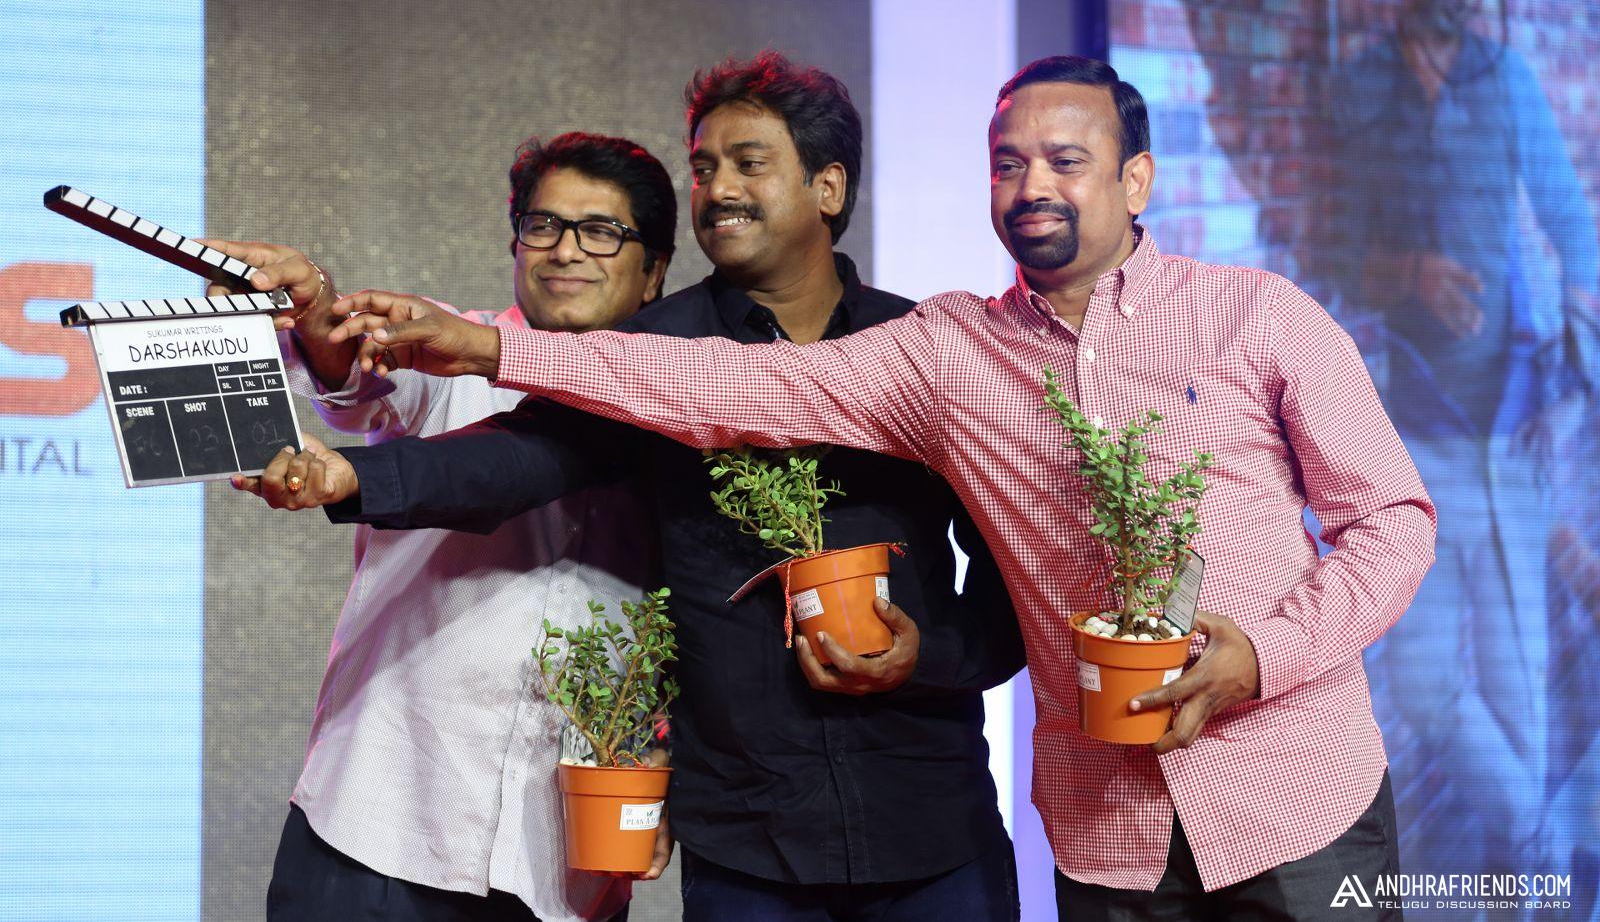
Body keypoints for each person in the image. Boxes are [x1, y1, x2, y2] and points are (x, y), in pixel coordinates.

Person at [309, 55, 1437, 921]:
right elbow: (721, 384)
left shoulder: (1258, 314)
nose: (1031, 186)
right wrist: (481, 353)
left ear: (1136, 178)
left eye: (1065, 160)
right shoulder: (949, 351)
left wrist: (1262, 654)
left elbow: (1391, 521)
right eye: (1007, 164)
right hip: (1098, 835)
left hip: (1295, 795)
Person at [240, 53, 1026, 921]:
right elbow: (522, 454)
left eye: (748, 163)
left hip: (931, 825)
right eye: (704, 167)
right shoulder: (652, 352)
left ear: (828, 186)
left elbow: (1010, 583)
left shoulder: (924, 349)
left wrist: (930, 654)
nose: (718, 189)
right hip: (746, 853)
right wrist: (351, 474)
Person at [213, 131, 677, 921]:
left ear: (655, 270)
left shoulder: (682, 412)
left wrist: (670, 771)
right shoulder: (447, 354)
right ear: (515, 243)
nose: (565, 249)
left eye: (601, 231)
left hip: (561, 864)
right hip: (379, 826)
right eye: (543, 225)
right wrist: (319, 315)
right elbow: (359, 375)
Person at [1301, 0, 1600, 898]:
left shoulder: (1506, 82)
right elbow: (1326, 249)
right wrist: (1408, 273)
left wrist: (1573, 352)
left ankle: (1538, 881)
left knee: (1520, 700)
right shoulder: (1358, 90)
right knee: (1427, 688)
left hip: (1507, 436)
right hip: (1408, 440)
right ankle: (1554, 857)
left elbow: (1573, 226)